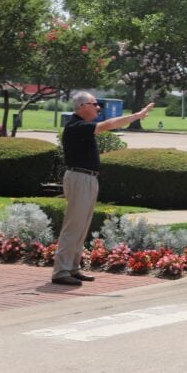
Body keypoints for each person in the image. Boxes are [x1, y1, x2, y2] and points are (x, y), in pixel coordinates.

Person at [51, 92, 154, 286]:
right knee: (73, 225)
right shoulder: (76, 126)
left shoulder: (81, 126)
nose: (98, 108)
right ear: (82, 106)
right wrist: (136, 116)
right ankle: (61, 271)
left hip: (87, 178)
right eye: (94, 104)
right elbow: (108, 125)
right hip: (79, 177)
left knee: (82, 226)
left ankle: (73, 268)